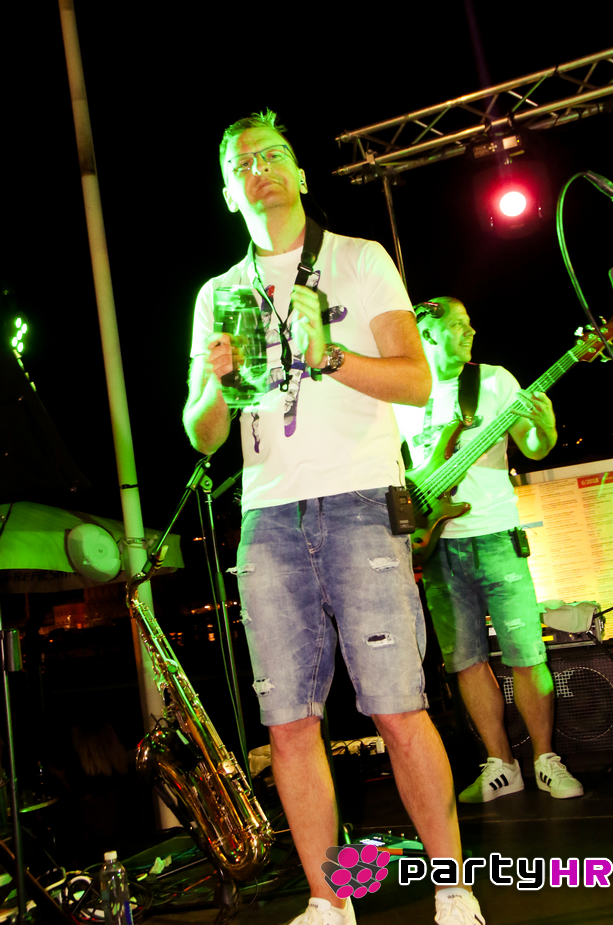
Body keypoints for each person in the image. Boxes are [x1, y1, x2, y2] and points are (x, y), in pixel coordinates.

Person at [183, 113, 486, 925]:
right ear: (228, 192)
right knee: (288, 723)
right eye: (243, 163)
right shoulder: (218, 295)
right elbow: (201, 434)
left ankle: (453, 888)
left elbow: (418, 382)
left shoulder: (359, 258)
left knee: (397, 708)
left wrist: (330, 357)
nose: (260, 168)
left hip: (359, 502)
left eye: (273, 154)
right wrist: (217, 386)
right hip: (267, 516)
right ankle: (329, 899)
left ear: (300, 173)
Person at [394, 297, 584, 805]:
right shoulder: (405, 395)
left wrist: (545, 425)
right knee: (466, 661)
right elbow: (392, 463)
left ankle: (546, 759)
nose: (470, 331)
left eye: (470, 323)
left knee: (527, 652)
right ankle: (501, 765)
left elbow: (535, 447)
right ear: (428, 333)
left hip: (498, 535)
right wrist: (413, 494)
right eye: (458, 325)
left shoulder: (495, 381)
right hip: (438, 545)